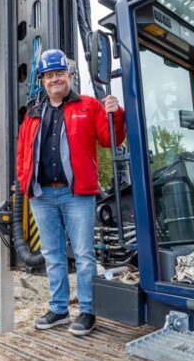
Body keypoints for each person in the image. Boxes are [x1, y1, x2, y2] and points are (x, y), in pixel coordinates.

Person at [17, 48, 126, 336]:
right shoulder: (33, 113)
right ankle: (59, 309)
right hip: (42, 196)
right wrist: (24, 181)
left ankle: (88, 311)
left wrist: (115, 113)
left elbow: (108, 139)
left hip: (77, 194)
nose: (55, 79)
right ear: (42, 80)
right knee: (52, 254)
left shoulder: (88, 106)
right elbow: (22, 153)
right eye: (49, 75)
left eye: (59, 74)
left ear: (69, 76)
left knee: (84, 254)